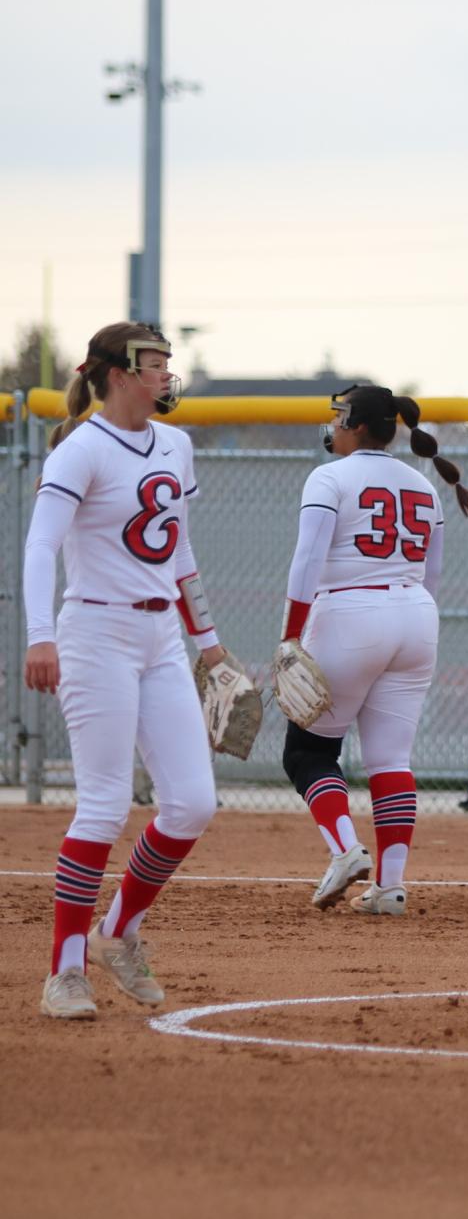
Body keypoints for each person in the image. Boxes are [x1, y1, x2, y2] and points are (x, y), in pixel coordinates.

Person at [21, 323, 235, 1019]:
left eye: (167, 364)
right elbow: (40, 546)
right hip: (95, 630)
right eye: (153, 365)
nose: (166, 376)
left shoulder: (176, 444)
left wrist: (208, 642)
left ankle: (117, 932)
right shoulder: (82, 448)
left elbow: (179, 555)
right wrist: (40, 636)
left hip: (159, 635)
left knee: (193, 803)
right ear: (115, 374)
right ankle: (65, 973)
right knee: (106, 802)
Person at [277, 385, 468, 915]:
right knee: (390, 759)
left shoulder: (329, 477)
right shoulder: (423, 485)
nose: (334, 425)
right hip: (416, 617)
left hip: (348, 614)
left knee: (308, 752)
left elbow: (306, 564)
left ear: (360, 425)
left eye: (340, 416)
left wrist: (290, 635)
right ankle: (389, 886)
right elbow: (431, 577)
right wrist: (410, 628)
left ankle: (345, 850)